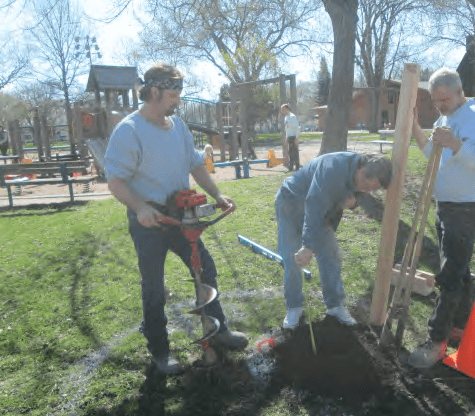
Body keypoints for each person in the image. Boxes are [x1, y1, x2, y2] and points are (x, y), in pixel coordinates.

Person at [103, 63, 248, 375]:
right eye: (172, 96)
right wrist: (140, 207)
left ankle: (218, 330)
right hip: (150, 220)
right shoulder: (129, 131)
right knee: (154, 286)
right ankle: (160, 351)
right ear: (154, 92)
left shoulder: (178, 126)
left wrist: (217, 194)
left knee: (205, 268)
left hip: (182, 215)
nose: (177, 101)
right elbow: (115, 180)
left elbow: (195, 164)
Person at [407, 67, 475, 369]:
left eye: (444, 99)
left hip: (466, 209)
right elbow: (431, 153)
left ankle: (437, 341)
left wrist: (456, 143)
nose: (440, 105)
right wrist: (415, 127)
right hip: (446, 206)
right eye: (435, 100)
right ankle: (460, 326)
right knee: (460, 271)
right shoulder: (444, 120)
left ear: (460, 91)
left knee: (448, 276)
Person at [275, 152, 393, 329]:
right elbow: (314, 206)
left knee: (331, 255)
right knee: (292, 257)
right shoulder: (332, 168)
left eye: (372, 189)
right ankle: (294, 307)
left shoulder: (361, 173)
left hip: (321, 210)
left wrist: (354, 201)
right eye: (366, 185)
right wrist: (307, 246)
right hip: (290, 202)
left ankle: (335, 305)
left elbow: (355, 195)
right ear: (361, 168)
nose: (367, 190)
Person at [281, 104, 299, 168]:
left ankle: (297, 166)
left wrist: (296, 137)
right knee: (290, 153)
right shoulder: (286, 117)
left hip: (294, 136)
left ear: (287, 109)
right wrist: (286, 138)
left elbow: (297, 127)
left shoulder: (292, 116)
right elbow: (287, 129)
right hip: (289, 137)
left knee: (295, 153)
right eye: (282, 110)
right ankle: (291, 166)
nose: (282, 111)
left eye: (283, 109)